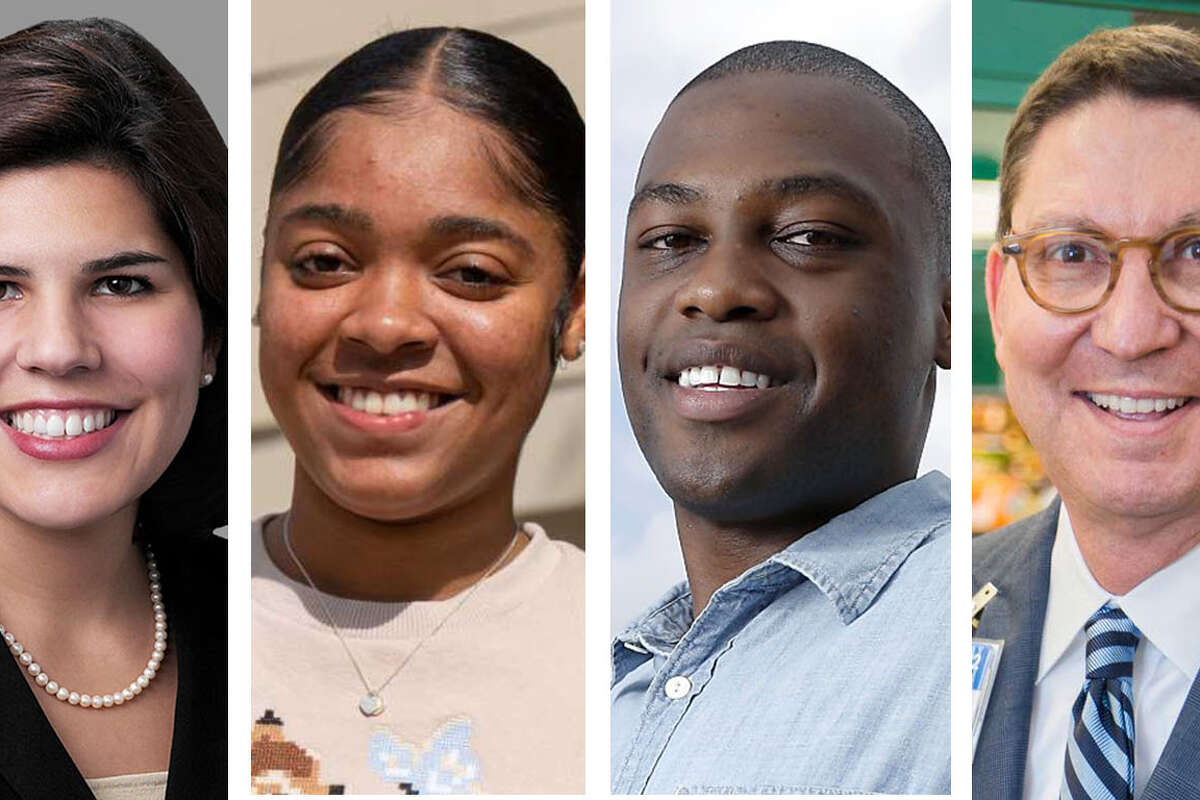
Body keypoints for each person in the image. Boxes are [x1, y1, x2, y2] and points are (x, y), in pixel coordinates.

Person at [250, 27, 585, 795]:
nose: (385, 323)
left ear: (574, 309)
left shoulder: (628, 660)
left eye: (470, 272)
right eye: (324, 262)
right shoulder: (157, 621)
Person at [612, 41, 951, 794]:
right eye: (672, 240)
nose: (716, 288)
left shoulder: (972, 649)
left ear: (945, 306)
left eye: (809, 237)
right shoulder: (606, 693)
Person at [0, 17, 227, 800]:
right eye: (0, 289)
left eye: (121, 284)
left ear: (211, 335)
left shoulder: (307, 641)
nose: (58, 350)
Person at [974, 24, 1200, 800]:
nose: (1134, 332)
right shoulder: (914, 624)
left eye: (1198, 253)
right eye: (1071, 253)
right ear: (1000, 306)